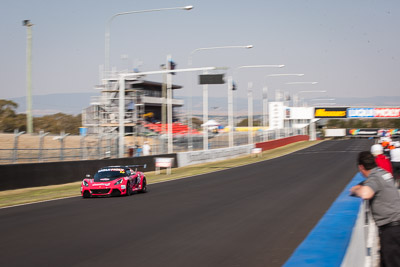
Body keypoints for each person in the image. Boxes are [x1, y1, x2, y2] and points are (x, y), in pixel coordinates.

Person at [350, 151, 400, 267]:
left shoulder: (374, 178)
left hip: (391, 230)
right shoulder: (383, 173)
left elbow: (366, 193)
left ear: (361, 167)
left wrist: (354, 191)